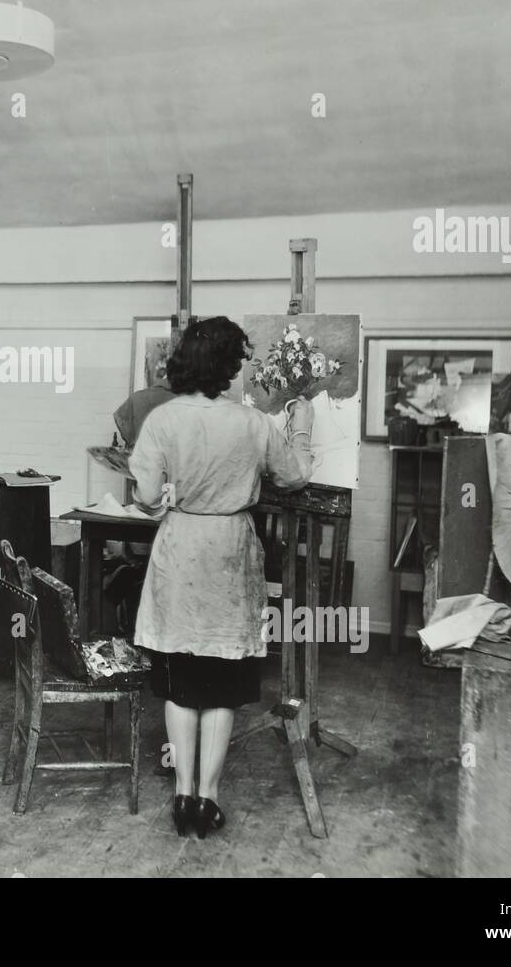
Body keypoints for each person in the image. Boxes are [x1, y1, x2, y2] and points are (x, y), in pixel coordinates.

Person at [128, 316, 314, 839]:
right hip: (230, 553)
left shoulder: (163, 421)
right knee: (222, 685)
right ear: (231, 367)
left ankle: (183, 793)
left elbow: (144, 496)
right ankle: (208, 799)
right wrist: (301, 425)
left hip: (181, 551)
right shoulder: (252, 424)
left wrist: (165, 493)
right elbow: (295, 475)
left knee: (181, 683)